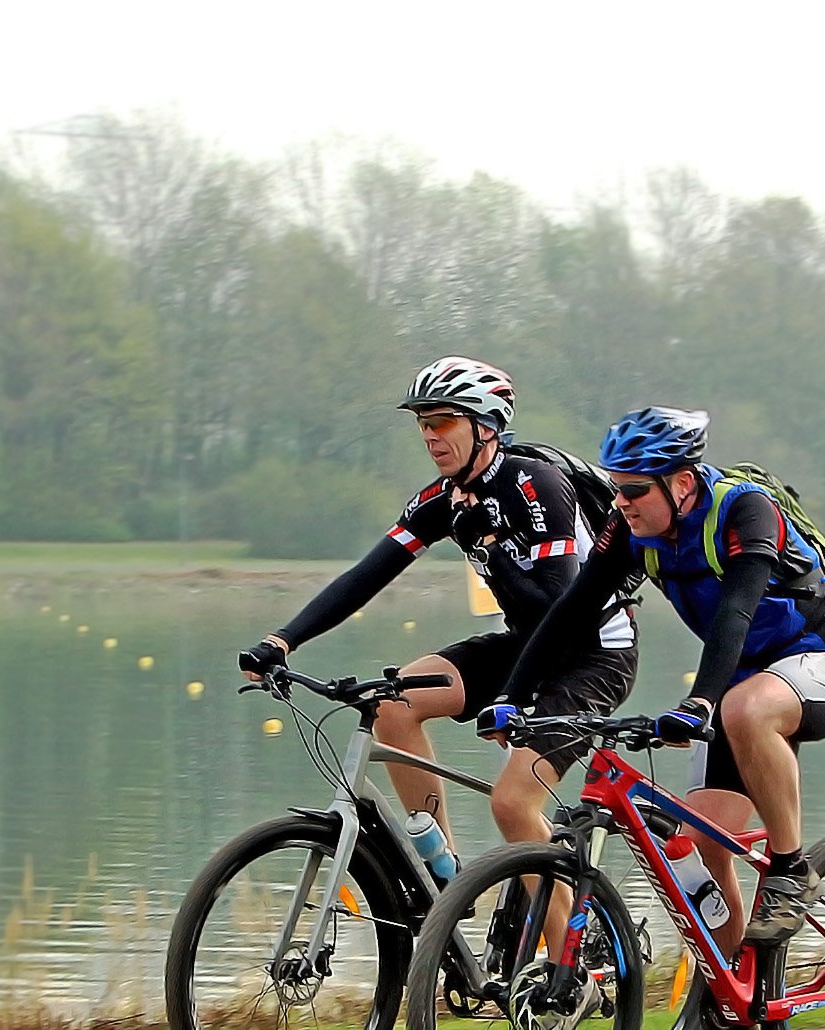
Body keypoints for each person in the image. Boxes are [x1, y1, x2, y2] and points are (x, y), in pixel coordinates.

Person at [489, 407, 825, 1030]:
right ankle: (738, 1006)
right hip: (746, 685)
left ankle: (789, 871)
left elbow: (736, 611)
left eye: (635, 490)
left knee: (743, 707)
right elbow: (572, 609)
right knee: (695, 848)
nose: (622, 502)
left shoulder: (745, 512)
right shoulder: (630, 528)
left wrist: (697, 704)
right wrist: (512, 694)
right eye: (616, 487)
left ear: (683, 484)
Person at [240, 356, 637, 859]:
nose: (430, 436)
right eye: (424, 424)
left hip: (593, 652)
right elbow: (366, 576)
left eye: (443, 421)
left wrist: (491, 550)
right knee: (393, 704)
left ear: (486, 425)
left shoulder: (536, 484)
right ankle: (442, 873)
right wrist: (281, 641)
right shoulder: (444, 499)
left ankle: (560, 939)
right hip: (524, 644)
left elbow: (554, 612)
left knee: (513, 805)